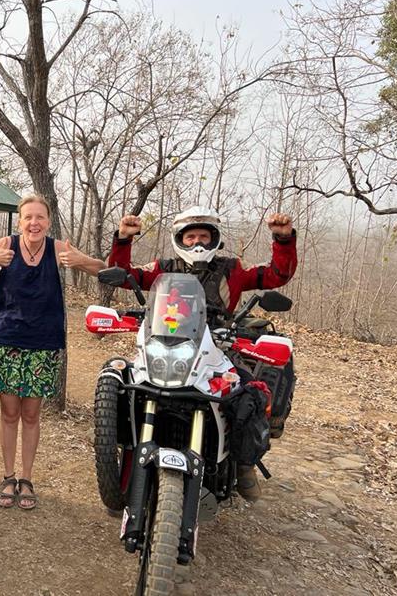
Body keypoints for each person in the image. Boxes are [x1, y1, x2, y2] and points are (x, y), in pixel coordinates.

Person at [109, 206, 297, 501]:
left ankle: (244, 464)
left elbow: (276, 275)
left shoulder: (232, 269)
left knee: (251, 394)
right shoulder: (164, 268)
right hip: (166, 347)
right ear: (179, 240)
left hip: (220, 348)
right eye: (190, 237)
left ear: (215, 240)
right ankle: (123, 460)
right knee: (127, 386)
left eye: (204, 236)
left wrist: (283, 240)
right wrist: (122, 240)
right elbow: (126, 276)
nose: (197, 242)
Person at [0, 194, 106, 510]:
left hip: (43, 342)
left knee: (31, 415)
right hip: (5, 338)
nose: (34, 223)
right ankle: (8, 476)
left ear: (48, 221)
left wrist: (79, 262)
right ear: (20, 222)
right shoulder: (6, 244)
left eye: (40, 217)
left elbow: (101, 269)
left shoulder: (59, 249)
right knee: (8, 413)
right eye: (28, 217)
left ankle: (27, 479)